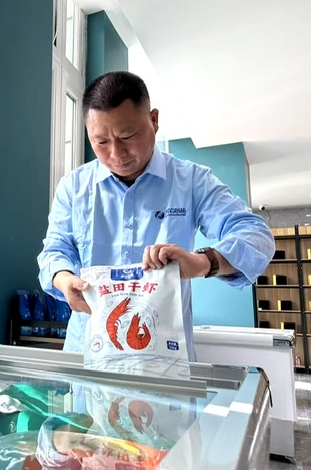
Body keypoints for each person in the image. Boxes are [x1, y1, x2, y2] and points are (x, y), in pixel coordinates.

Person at [37, 71, 274, 361]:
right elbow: (55, 251)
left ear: (154, 120)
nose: (116, 153)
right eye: (101, 142)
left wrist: (203, 263)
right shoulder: (73, 187)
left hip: (165, 362)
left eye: (127, 136)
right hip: (87, 356)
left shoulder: (191, 181)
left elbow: (256, 235)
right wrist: (63, 279)